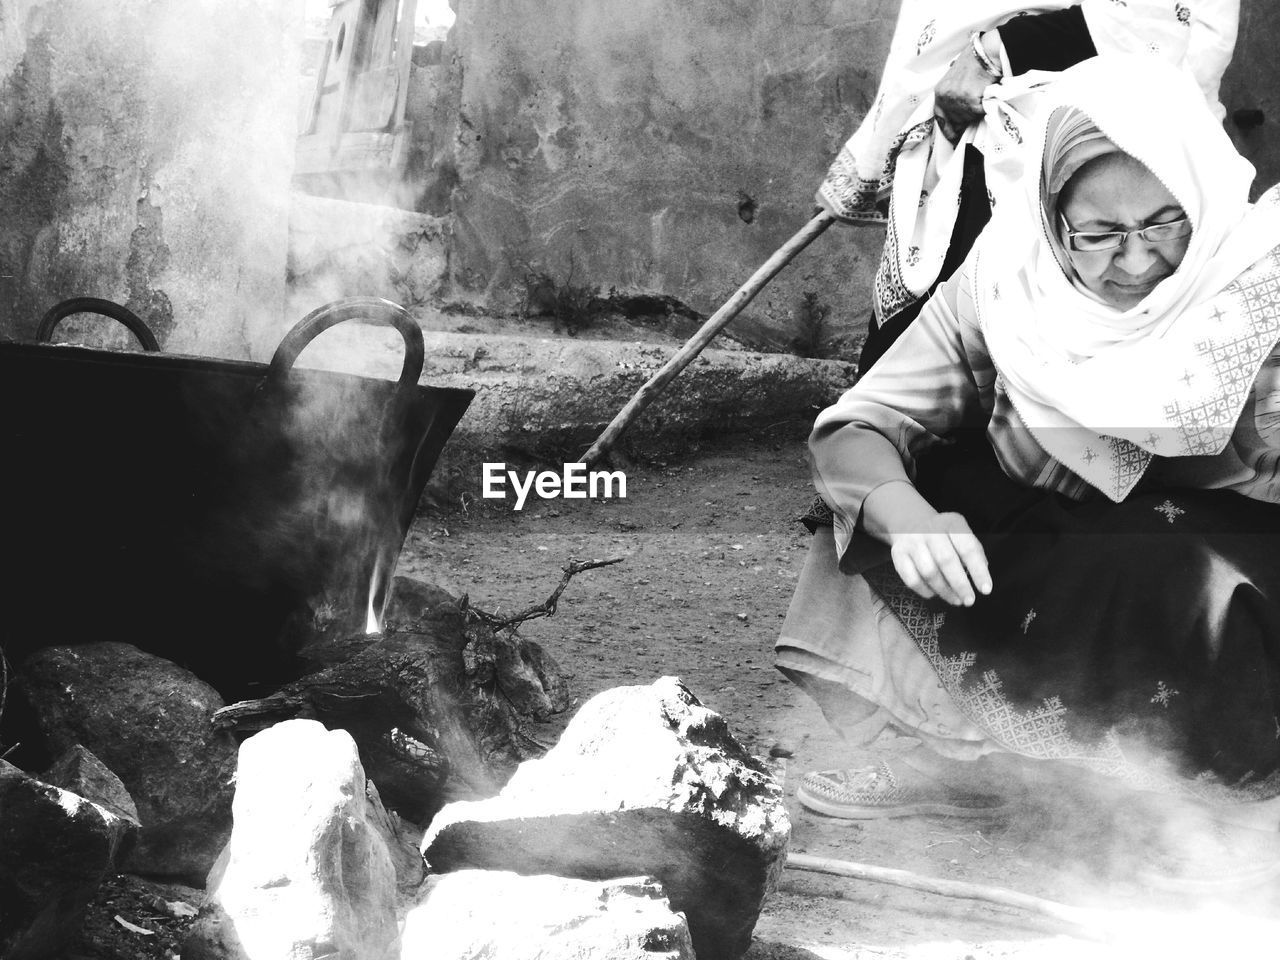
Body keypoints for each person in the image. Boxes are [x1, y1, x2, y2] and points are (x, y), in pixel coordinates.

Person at [777, 54, 1280, 874]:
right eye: (1101, 235)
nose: (1137, 262)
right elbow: (860, 425)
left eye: (1164, 223)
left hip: (1223, 553)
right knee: (880, 502)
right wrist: (913, 521)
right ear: (1053, 220)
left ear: (1204, 197)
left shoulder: (1259, 278)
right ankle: (959, 765)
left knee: (1185, 567)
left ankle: (1211, 795)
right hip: (1075, 534)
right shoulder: (1008, 282)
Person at [816, 1, 1240, 373]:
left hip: (1052, 109)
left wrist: (994, 52)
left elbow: (1155, 19)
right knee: (942, 360)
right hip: (982, 117)